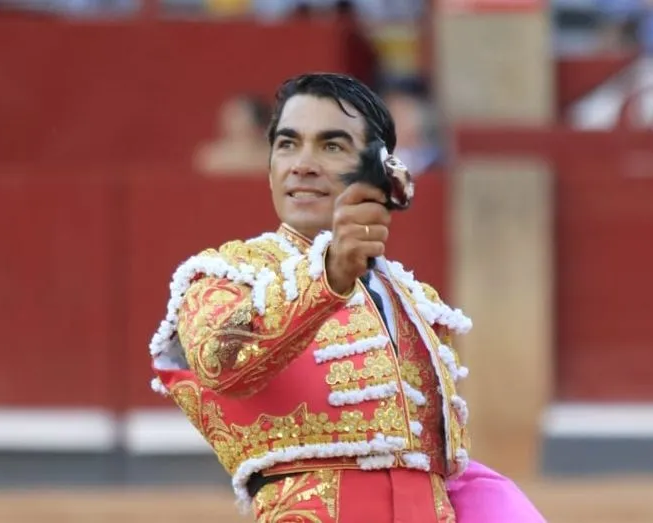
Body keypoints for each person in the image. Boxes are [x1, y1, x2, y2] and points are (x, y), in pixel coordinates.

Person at [149, 72, 544, 521]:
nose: (302, 164)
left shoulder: (414, 302)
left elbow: (438, 471)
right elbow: (218, 362)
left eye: (332, 146)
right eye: (287, 144)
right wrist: (327, 276)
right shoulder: (227, 275)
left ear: (382, 169)